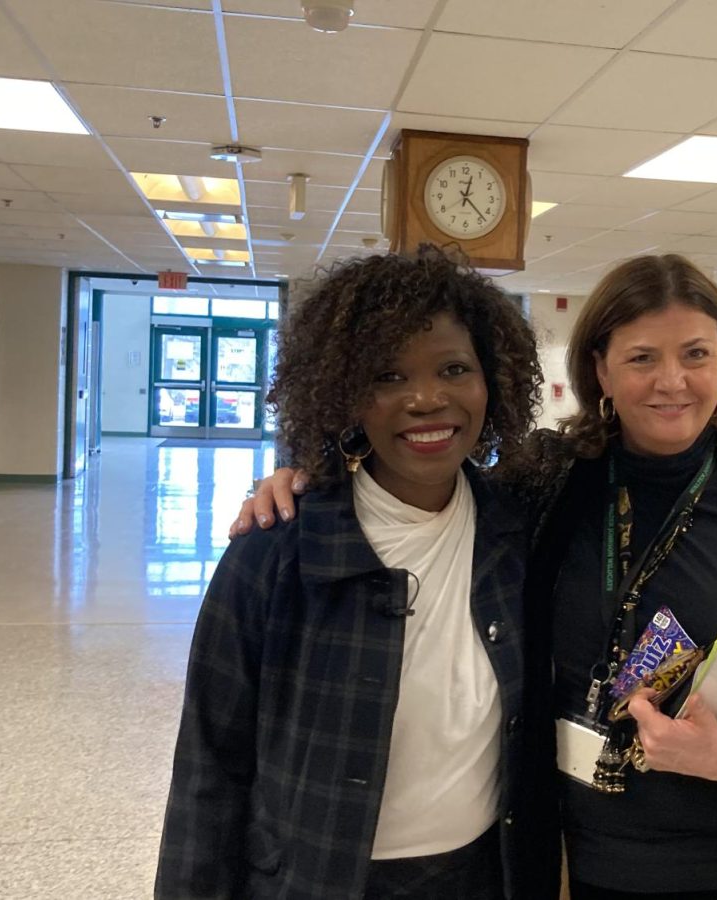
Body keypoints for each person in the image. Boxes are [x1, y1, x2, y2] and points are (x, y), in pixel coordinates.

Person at [237, 254, 717, 900]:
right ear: (599, 369)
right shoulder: (538, 487)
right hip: (563, 864)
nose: (672, 381)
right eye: (641, 359)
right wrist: (316, 479)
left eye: (695, 354)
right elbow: (421, 481)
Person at [155, 248, 553, 900]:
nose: (427, 397)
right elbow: (209, 769)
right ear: (341, 392)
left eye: (455, 369)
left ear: (492, 382)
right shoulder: (275, 554)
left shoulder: (520, 533)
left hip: (482, 875)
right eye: (388, 376)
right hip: (317, 877)